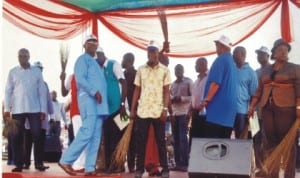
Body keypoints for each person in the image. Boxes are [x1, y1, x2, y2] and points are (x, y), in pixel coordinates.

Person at [248, 39, 300, 178]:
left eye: (286, 50)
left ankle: (289, 175)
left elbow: (299, 90)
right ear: (274, 54)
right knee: (269, 143)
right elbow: (259, 90)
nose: (284, 52)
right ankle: (272, 174)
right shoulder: (266, 70)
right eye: (280, 50)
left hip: (287, 111)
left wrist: (299, 107)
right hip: (267, 110)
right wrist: (252, 106)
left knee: (289, 146)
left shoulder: (295, 68)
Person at [58, 34, 109, 176]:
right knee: (87, 131)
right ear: (84, 45)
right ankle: (66, 160)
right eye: (90, 41)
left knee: (95, 136)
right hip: (88, 99)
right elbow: (80, 79)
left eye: (95, 41)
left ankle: (90, 168)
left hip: (99, 105)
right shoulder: (82, 60)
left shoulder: (96, 63)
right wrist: (94, 91)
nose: (93, 43)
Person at [130, 40, 171, 178]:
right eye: (149, 51)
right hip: (143, 111)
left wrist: (165, 109)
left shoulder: (165, 70)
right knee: (140, 142)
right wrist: (132, 109)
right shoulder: (141, 70)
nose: (151, 54)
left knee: (161, 141)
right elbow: (137, 89)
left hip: (158, 111)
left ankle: (165, 169)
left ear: (157, 53)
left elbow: (166, 91)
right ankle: (139, 169)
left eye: (154, 51)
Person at [4, 48, 47, 172]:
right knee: (16, 137)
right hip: (17, 109)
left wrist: (43, 110)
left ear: (29, 57)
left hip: (34, 109)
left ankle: (39, 163)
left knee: (37, 135)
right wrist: (7, 109)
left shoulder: (37, 72)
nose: (22, 58)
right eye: (20, 56)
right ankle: (18, 164)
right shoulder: (13, 72)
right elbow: (8, 91)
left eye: (24, 56)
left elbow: (42, 92)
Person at [198, 35, 238, 139]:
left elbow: (216, 83)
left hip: (217, 111)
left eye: (217, 45)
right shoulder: (233, 63)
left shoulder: (220, 60)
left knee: (212, 147)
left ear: (221, 46)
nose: (216, 48)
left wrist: (206, 100)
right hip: (229, 113)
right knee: (223, 146)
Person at [96, 47, 127, 173]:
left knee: (118, 138)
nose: (96, 60)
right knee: (108, 138)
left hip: (120, 109)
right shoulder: (99, 70)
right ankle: (109, 165)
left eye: (97, 56)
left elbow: (124, 83)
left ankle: (117, 166)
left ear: (102, 54)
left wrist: (123, 104)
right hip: (106, 111)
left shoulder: (113, 64)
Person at [23, 61, 53, 170]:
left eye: (41, 69)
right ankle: (26, 163)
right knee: (28, 142)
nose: (40, 71)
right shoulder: (28, 83)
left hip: (42, 119)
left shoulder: (44, 84)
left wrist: (52, 114)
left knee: (40, 142)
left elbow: (48, 100)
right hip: (30, 118)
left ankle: (38, 163)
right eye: (38, 69)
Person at [170, 64, 193, 172]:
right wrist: (172, 99)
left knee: (183, 139)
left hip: (184, 113)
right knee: (175, 140)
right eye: (176, 69)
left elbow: (193, 97)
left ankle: (185, 163)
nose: (177, 71)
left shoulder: (188, 82)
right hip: (174, 114)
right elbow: (168, 97)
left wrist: (181, 98)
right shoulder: (172, 84)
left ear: (183, 70)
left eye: (179, 69)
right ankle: (178, 163)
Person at [60, 72, 85, 172]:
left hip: (89, 112)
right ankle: (72, 163)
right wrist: (62, 80)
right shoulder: (72, 76)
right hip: (77, 111)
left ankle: (81, 164)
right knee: (80, 138)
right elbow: (64, 92)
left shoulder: (94, 74)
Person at [232, 46, 258, 138]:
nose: (233, 55)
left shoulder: (251, 73)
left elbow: (254, 95)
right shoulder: (230, 69)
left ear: (243, 55)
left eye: (235, 53)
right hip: (227, 111)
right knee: (225, 139)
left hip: (241, 112)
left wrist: (250, 110)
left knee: (240, 139)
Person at [253, 45, 271, 172]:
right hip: (255, 112)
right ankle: (259, 166)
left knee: (267, 139)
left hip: (268, 111)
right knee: (256, 139)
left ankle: (267, 166)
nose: (259, 56)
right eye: (258, 54)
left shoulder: (273, 71)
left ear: (268, 56)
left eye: (262, 54)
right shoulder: (255, 72)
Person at [121, 52, 137, 173]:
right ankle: (121, 162)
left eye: (123, 59)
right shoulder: (123, 74)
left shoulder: (136, 74)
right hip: (122, 111)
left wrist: (134, 110)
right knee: (122, 135)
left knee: (132, 138)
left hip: (131, 111)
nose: (122, 61)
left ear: (128, 61)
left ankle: (131, 165)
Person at [188, 57, 208, 149]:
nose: (195, 66)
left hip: (205, 113)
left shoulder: (209, 79)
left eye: (197, 64)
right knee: (194, 137)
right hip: (195, 113)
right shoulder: (195, 81)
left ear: (203, 65)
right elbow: (193, 97)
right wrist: (190, 109)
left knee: (203, 137)